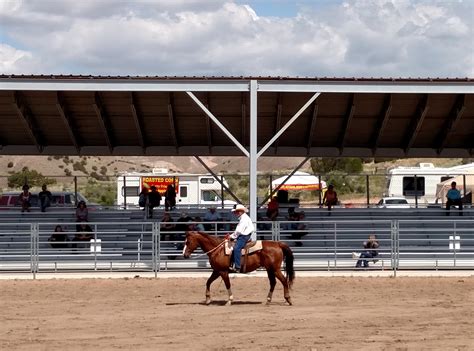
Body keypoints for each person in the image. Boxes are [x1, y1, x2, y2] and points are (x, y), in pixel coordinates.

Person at [228, 204, 255, 273]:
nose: (235, 213)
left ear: (240, 211)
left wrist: (232, 236)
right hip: (244, 235)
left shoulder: (244, 219)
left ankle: (237, 267)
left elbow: (239, 231)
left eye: (236, 211)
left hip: (244, 236)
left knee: (236, 248)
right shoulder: (244, 218)